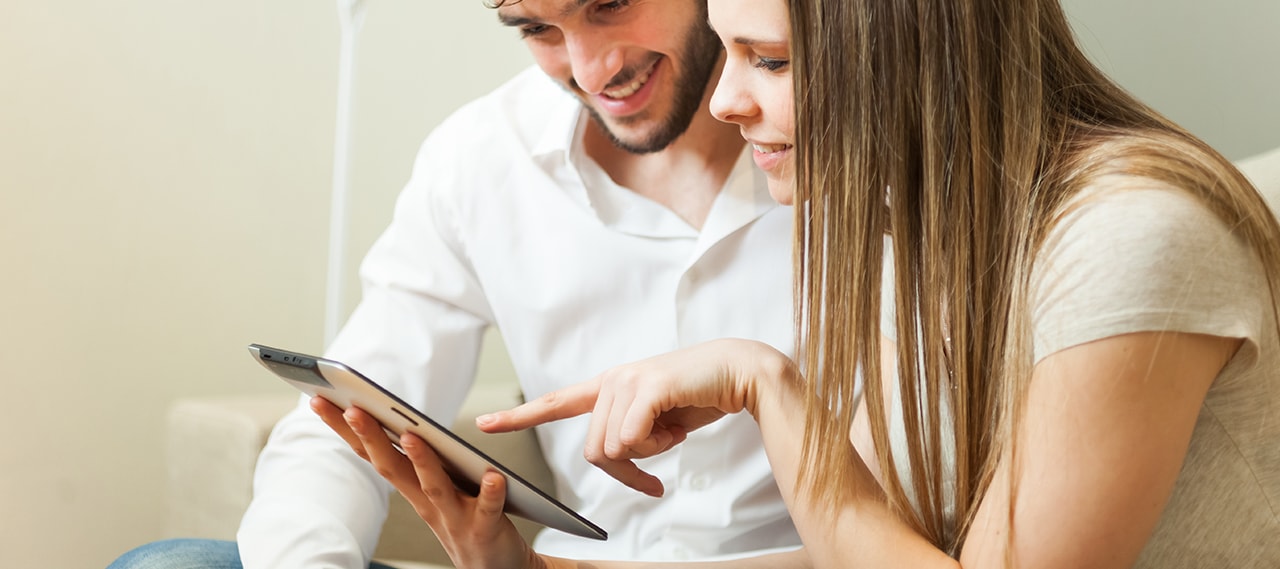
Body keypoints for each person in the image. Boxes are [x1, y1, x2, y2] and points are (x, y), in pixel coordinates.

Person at [317, 0, 1280, 567]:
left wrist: (764, 383)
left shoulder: (1130, 235)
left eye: (769, 61)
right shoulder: (926, 233)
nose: (728, 102)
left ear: (912, 48)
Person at [107, 1, 805, 568]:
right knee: (169, 566)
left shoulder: (854, 154)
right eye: (537, 29)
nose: (592, 71)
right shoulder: (483, 158)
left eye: (610, 5)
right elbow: (341, 424)